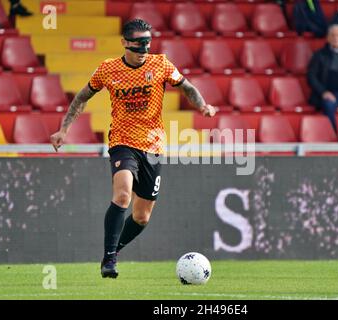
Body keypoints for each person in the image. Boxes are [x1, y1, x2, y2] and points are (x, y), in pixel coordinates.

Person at [50, 19, 216, 279]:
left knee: (141, 217)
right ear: (125, 43)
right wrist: (64, 129)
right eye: (139, 44)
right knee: (123, 196)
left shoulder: (160, 64)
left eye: (147, 43)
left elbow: (187, 87)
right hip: (122, 142)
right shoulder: (108, 69)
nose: (144, 49)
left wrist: (202, 105)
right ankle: (109, 260)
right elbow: (82, 97)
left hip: (153, 147)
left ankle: (113, 250)